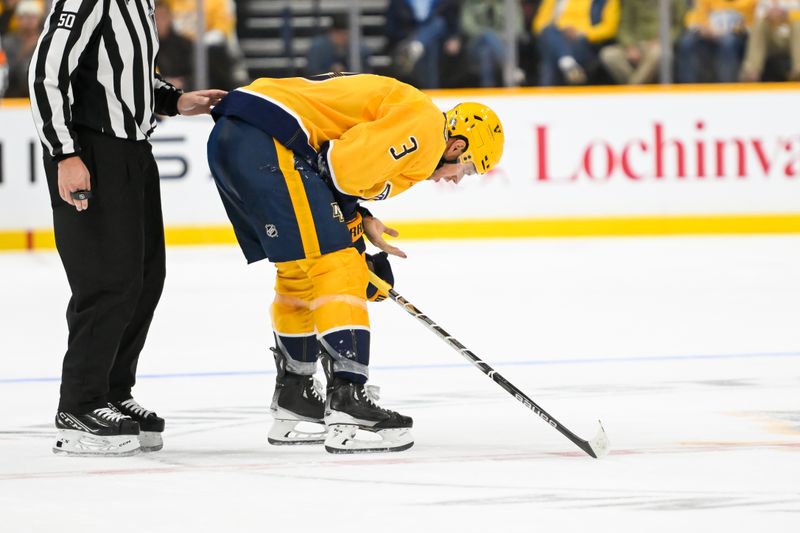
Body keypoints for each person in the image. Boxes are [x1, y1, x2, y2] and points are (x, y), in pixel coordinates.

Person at [207, 73, 504, 453]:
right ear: (456, 145)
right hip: (268, 141)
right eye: (468, 167)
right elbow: (341, 170)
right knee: (339, 266)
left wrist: (357, 222)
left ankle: (294, 395)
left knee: (301, 269)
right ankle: (348, 399)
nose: (458, 179)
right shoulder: (428, 131)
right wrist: (353, 245)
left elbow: (335, 174)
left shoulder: (412, 116)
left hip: (240, 137)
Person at [29, 0, 226, 456]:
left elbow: (128, 75)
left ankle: (112, 392)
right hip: (91, 149)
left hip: (134, 150)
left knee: (143, 278)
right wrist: (65, 155)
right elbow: (46, 73)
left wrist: (175, 100)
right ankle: (79, 404)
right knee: (107, 280)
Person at [533, 0, 621, 85]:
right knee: (550, 32)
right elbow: (539, 25)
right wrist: (562, 31)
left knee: (551, 57)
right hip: (556, 36)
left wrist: (582, 33)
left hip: (584, 43)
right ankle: (567, 61)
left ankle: (565, 62)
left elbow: (610, 29)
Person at [599, 0, 686, 85]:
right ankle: (639, 89)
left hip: (660, 44)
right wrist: (629, 45)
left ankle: (633, 89)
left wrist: (663, 40)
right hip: (636, 44)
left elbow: (679, 26)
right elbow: (624, 25)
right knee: (609, 54)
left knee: (658, 53)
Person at [676, 0, 757, 83]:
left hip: (737, 37)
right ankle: (688, 89)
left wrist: (726, 31)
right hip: (708, 34)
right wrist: (703, 29)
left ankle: (726, 90)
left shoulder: (750, 2)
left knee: (728, 43)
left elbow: (752, 25)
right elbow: (695, 19)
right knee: (687, 43)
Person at [739, 0, 800, 81]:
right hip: (771, 40)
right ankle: (751, 72)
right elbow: (755, 21)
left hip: (792, 39)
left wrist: (786, 15)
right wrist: (768, 16)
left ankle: (798, 69)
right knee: (760, 24)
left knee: (797, 24)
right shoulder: (763, 2)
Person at [305, 12, 371, 76]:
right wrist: (330, 71)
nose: (344, 37)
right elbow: (312, 73)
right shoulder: (317, 48)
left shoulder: (360, 49)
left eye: (347, 34)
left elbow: (366, 72)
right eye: (340, 34)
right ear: (331, 32)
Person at [2, 0, 43, 97]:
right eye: (25, 16)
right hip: (11, 95)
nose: (29, 20)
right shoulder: (7, 42)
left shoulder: (44, 41)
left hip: (36, 94)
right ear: (17, 18)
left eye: (33, 16)